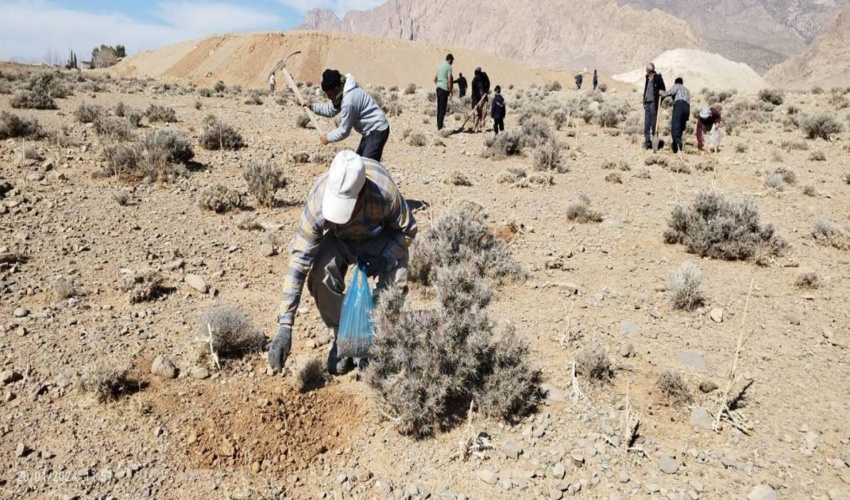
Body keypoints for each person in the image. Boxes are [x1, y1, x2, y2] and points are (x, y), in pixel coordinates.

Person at [268, 150, 418, 375]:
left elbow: (407, 230)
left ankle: (374, 338)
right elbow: (299, 259)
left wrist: (384, 259)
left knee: (397, 275)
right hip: (340, 240)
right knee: (319, 274)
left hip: (378, 238)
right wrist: (285, 326)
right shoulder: (319, 199)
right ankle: (343, 338)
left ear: (363, 192)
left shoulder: (384, 192)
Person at [307, 69, 390, 162]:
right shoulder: (341, 93)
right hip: (370, 131)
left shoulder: (349, 101)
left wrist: (328, 137)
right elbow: (330, 110)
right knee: (358, 163)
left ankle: (379, 176)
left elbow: (344, 131)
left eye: (329, 94)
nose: (329, 98)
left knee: (367, 167)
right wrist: (312, 107)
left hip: (377, 130)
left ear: (336, 89)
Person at [661, 77, 691, 153]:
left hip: (679, 106)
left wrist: (662, 93)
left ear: (676, 82)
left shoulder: (677, 86)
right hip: (687, 108)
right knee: (681, 127)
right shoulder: (686, 90)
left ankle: (678, 147)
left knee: (675, 127)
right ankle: (679, 145)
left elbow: (671, 92)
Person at [642, 62, 666, 150]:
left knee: (653, 123)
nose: (646, 71)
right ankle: (647, 142)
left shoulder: (658, 78)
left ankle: (654, 142)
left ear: (649, 70)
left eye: (647, 70)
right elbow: (646, 90)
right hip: (647, 103)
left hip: (653, 103)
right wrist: (644, 100)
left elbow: (663, 89)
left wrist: (661, 93)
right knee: (647, 123)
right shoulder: (647, 78)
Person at [434, 53, 454, 130]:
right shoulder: (449, 67)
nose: (452, 63)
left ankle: (439, 125)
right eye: (452, 61)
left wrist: (439, 84)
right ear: (450, 59)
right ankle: (440, 127)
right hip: (444, 89)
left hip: (438, 88)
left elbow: (434, 79)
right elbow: (449, 79)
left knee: (439, 108)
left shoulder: (440, 66)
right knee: (442, 108)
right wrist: (450, 90)